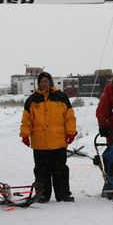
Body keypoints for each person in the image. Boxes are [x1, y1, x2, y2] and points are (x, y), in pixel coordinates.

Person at [20, 71, 77, 203]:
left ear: (50, 82)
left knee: (60, 170)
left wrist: (71, 132)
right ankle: (43, 195)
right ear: (38, 83)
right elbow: (26, 120)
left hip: (59, 142)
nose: (43, 84)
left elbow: (69, 117)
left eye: (46, 81)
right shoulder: (32, 100)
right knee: (41, 171)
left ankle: (63, 194)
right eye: (41, 82)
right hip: (40, 144)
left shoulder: (61, 97)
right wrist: (24, 135)